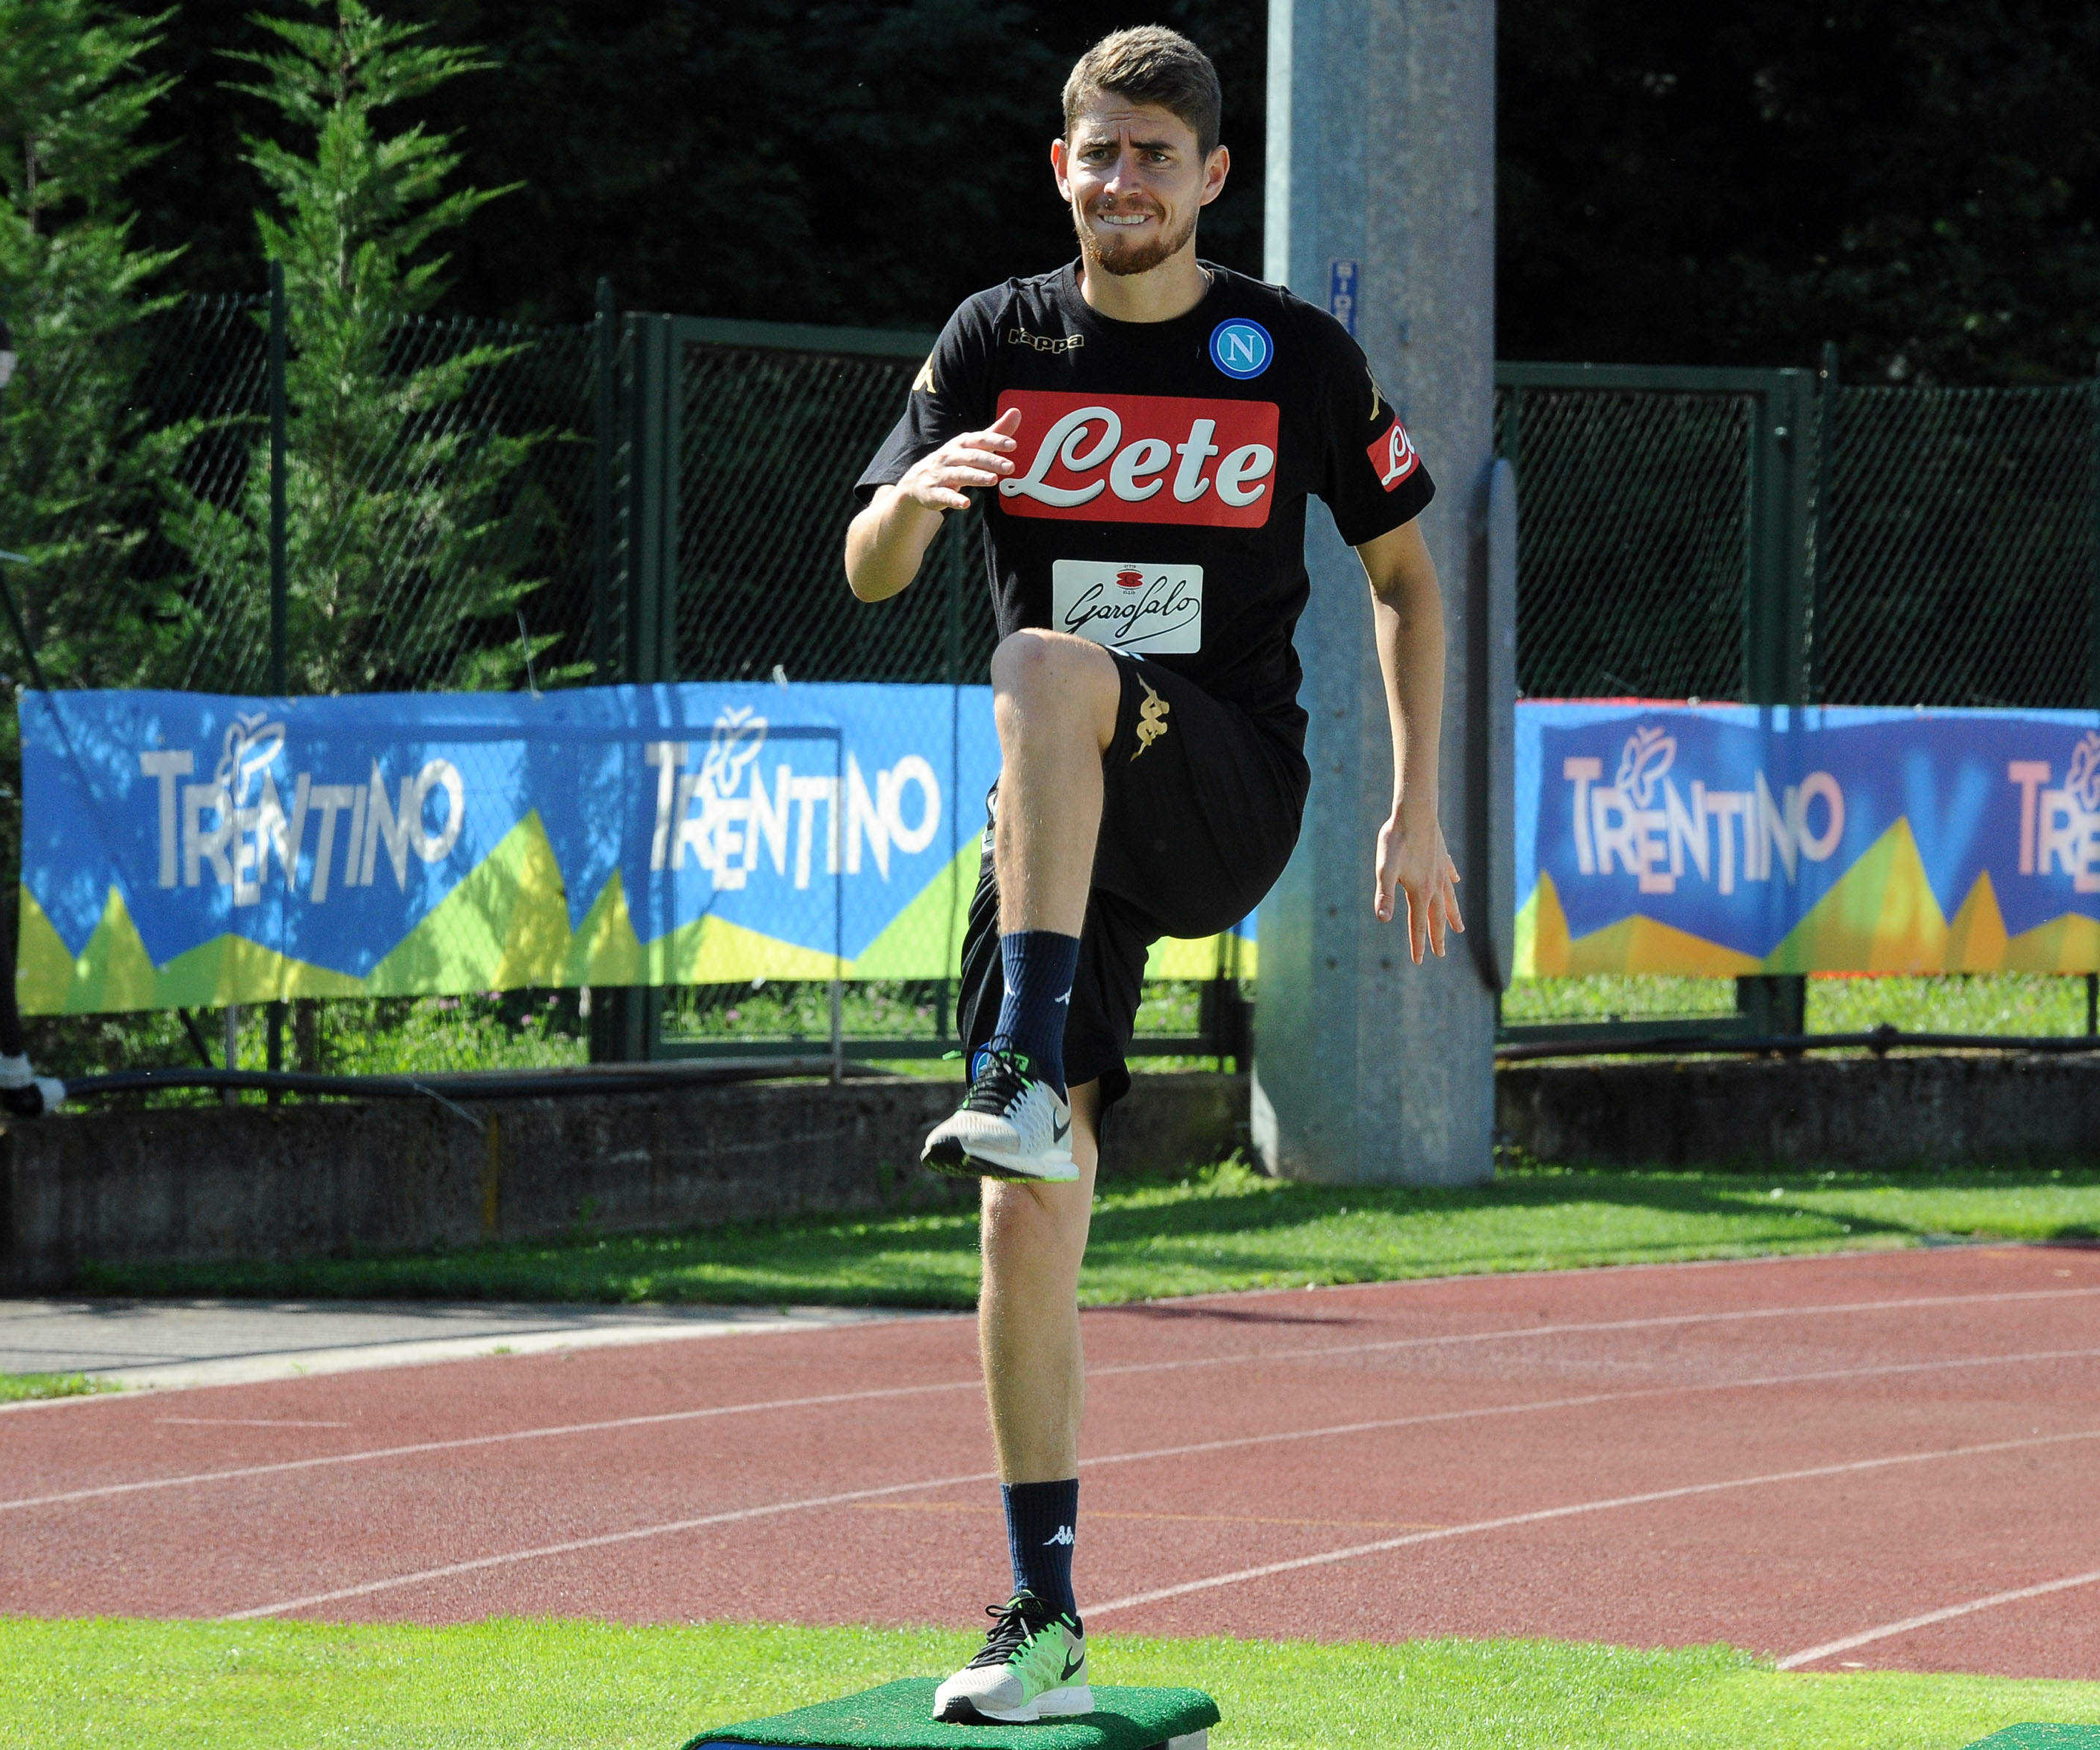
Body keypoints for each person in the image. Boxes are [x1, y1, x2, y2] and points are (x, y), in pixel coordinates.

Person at [844, 24, 1464, 1726]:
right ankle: (1041, 1622)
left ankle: (1019, 1064)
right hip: (1059, 846)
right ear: (1061, 169)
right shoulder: (993, 340)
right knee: (1019, 1222)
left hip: (1222, 786)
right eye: (1094, 153)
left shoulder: (1287, 354)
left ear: (1207, 179)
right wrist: (921, 500)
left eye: (1151, 155)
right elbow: (869, 560)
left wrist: (1417, 809)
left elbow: (1408, 577)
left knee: (1043, 666)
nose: (1120, 181)